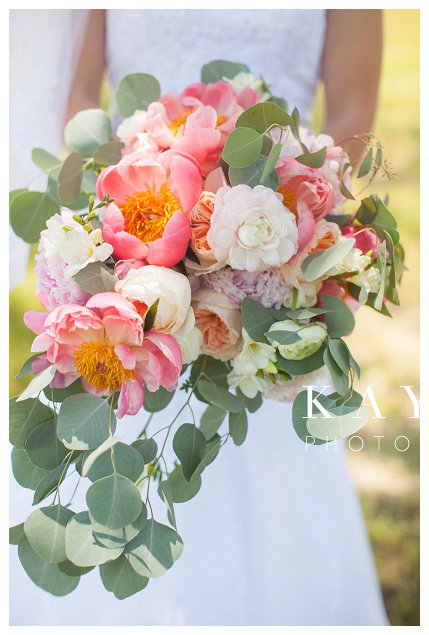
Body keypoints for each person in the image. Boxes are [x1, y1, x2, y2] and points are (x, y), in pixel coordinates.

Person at [9, 9, 388, 625]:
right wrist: (129, 204)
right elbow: (80, 95)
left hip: (272, 248)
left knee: (259, 449)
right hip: (133, 225)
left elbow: (350, 119)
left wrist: (273, 221)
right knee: (116, 424)